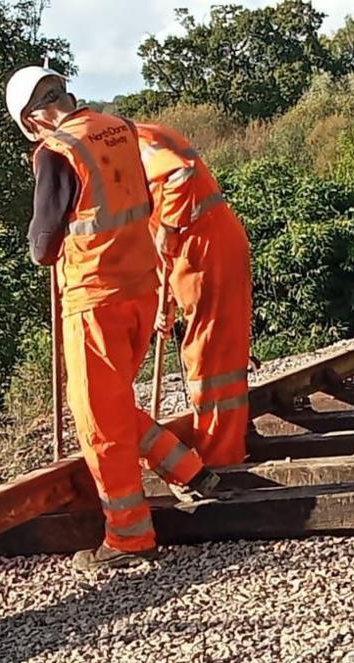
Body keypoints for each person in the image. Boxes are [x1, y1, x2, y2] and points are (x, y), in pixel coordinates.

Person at [4, 65, 223, 569]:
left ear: (31, 119)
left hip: (94, 297)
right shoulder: (118, 128)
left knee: (98, 420)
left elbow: (42, 246)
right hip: (139, 288)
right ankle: (187, 468)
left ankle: (127, 537)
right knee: (112, 403)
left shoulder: (55, 152)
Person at [136, 123, 252, 467]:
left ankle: (221, 458)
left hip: (203, 248)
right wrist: (165, 302)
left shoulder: (136, 146)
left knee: (210, 361)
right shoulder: (138, 139)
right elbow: (158, 234)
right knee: (214, 358)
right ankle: (223, 449)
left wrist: (170, 226)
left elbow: (179, 175)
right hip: (199, 249)